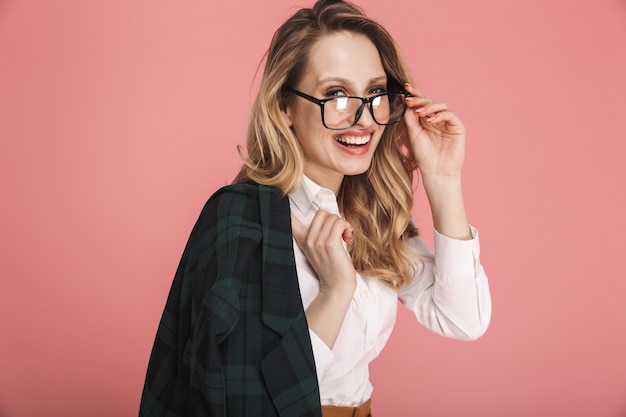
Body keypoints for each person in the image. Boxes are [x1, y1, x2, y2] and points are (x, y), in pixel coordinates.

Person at [139, 0, 492, 415]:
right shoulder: (240, 220)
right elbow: (245, 399)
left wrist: (443, 179)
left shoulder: (371, 213)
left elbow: (463, 319)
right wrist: (334, 291)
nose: (362, 118)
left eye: (375, 93)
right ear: (285, 106)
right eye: (336, 94)